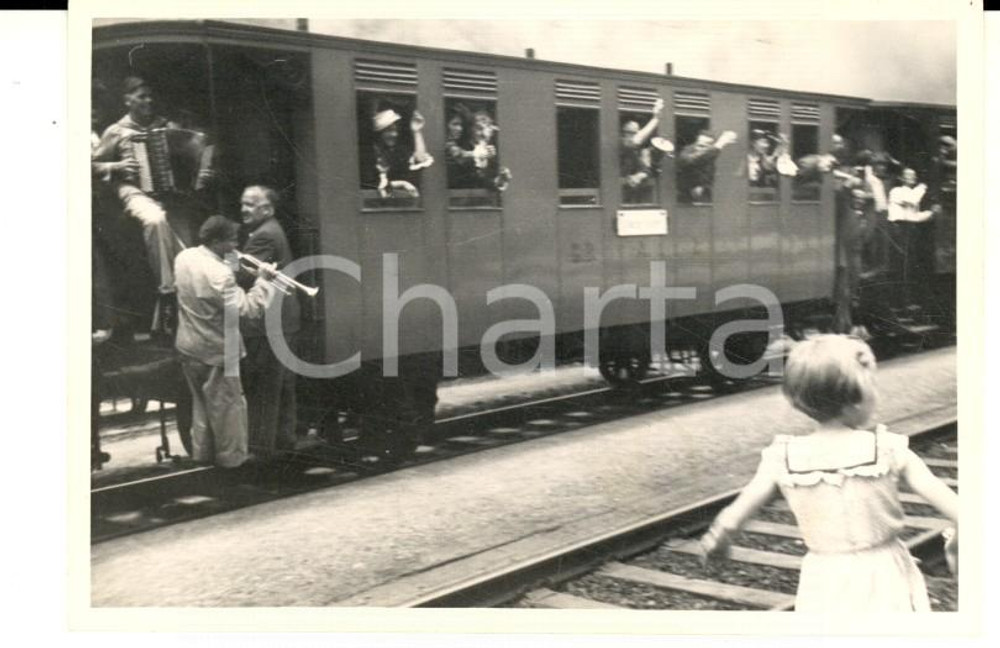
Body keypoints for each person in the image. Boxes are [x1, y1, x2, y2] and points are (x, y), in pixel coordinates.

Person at [699, 335, 958, 612]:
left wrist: (720, 544)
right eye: (873, 385)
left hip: (823, 577)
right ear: (856, 398)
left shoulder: (781, 458)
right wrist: (955, 549)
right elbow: (964, 513)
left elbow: (729, 521)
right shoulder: (889, 450)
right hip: (885, 573)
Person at [174, 215, 276, 468]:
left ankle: (203, 456)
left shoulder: (185, 257)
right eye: (231, 241)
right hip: (219, 350)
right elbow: (250, 310)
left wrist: (238, 265)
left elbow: (215, 273)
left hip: (189, 345)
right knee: (229, 409)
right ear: (217, 241)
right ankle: (233, 463)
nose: (235, 246)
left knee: (202, 406)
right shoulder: (221, 276)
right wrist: (263, 280)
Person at [92, 76, 187, 336]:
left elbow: (192, 149)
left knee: (188, 251)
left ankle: (180, 317)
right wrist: (117, 166)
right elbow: (89, 164)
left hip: (168, 194)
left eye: (150, 96)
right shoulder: (116, 130)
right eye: (142, 96)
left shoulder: (164, 126)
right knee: (155, 221)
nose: (148, 100)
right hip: (133, 191)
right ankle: (167, 294)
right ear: (127, 100)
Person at [237, 186, 301, 459]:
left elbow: (240, 276)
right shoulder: (272, 228)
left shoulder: (263, 236)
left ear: (268, 209)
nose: (244, 209)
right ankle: (283, 444)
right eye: (243, 203)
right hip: (284, 320)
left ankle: (262, 452)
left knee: (264, 389)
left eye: (251, 204)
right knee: (281, 386)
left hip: (268, 324)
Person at [887, 167, 937, 309]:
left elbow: (914, 217)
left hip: (910, 229)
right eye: (909, 175)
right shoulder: (896, 191)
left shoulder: (912, 194)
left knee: (910, 265)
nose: (912, 178)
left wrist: (930, 213)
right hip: (899, 229)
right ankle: (899, 302)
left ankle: (907, 301)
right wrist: (922, 187)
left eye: (914, 175)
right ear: (901, 178)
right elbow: (912, 200)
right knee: (901, 265)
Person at [371, 107, 434, 199]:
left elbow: (420, 160)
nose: (394, 134)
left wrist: (417, 132)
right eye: (389, 131)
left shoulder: (399, 151)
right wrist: (402, 184)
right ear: (379, 134)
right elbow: (371, 183)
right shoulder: (371, 154)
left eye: (395, 130)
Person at [620, 98, 664, 203]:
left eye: (636, 132)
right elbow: (635, 141)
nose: (633, 135)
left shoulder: (632, 152)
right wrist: (656, 119)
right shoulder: (619, 143)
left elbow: (645, 170)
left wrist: (639, 176)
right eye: (630, 132)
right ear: (622, 133)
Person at [676, 129, 738, 202]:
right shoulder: (686, 152)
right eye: (700, 145)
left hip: (704, 196)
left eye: (706, 145)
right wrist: (719, 144)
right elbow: (691, 161)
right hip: (684, 197)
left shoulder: (710, 156)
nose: (702, 148)